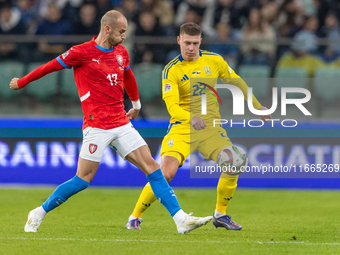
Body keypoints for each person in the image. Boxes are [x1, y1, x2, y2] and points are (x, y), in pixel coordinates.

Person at [9, 11, 212, 234]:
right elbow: (49, 67)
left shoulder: (121, 53)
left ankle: (180, 219)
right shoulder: (81, 52)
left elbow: (128, 76)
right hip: (96, 126)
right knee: (83, 179)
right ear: (107, 29)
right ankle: (39, 212)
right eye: (121, 32)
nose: (124, 36)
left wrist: (136, 104)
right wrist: (22, 81)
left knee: (153, 168)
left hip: (121, 122)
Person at [125, 22, 272, 230]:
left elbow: (237, 82)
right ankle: (134, 217)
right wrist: (191, 117)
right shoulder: (171, 70)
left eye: (195, 43)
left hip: (211, 129)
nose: (191, 48)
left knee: (235, 161)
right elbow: (172, 107)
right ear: (179, 41)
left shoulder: (214, 60)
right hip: (182, 128)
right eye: (187, 43)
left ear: (201, 41)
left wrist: (257, 107)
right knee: (165, 173)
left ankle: (220, 214)